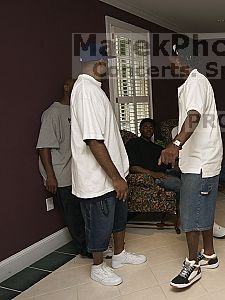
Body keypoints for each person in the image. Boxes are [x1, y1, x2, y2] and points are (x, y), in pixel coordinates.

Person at [71, 45, 146, 286]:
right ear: (98, 61)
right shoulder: (84, 91)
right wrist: (115, 177)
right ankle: (98, 266)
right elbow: (93, 139)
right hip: (98, 179)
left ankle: (120, 256)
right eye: (106, 60)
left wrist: (118, 174)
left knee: (118, 219)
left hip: (113, 176)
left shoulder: (95, 89)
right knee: (99, 225)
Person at [159, 43, 223, 288]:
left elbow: (193, 116)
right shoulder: (194, 82)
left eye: (173, 57)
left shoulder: (195, 82)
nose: (170, 62)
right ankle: (209, 254)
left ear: (184, 59)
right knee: (202, 209)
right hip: (201, 159)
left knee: (191, 212)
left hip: (201, 162)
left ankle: (192, 264)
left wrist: (175, 144)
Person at [36, 79, 89, 257]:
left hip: (75, 172)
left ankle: (91, 244)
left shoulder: (76, 111)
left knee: (82, 211)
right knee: (73, 215)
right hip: (60, 174)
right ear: (66, 87)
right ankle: (85, 249)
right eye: (74, 85)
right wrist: (50, 176)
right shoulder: (53, 113)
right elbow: (44, 147)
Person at [126, 118, 182, 200]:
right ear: (140, 129)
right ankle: (181, 211)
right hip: (152, 177)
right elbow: (133, 167)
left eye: (151, 127)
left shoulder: (157, 147)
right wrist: (154, 174)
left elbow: (167, 164)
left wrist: (176, 164)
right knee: (178, 184)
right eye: (146, 127)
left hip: (166, 172)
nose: (149, 129)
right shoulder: (133, 143)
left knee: (188, 177)